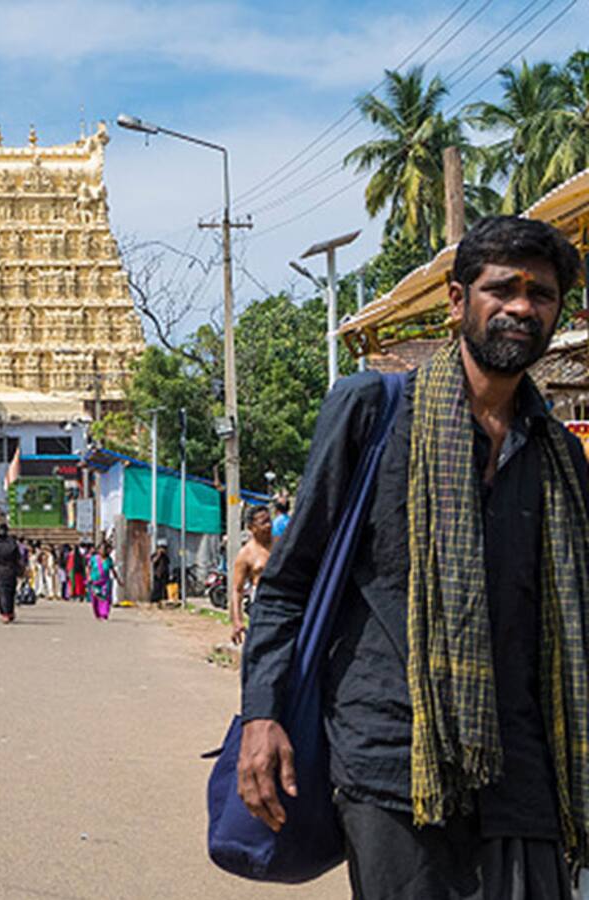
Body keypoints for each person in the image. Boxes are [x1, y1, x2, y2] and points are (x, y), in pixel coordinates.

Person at [239, 217, 589, 898]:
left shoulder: (560, 457)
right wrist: (262, 715)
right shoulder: (372, 412)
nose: (521, 307)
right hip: (394, 762)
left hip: (526, 770)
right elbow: (289, 584)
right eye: (502, 289)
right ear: (458, 301)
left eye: (541, 294)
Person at [229, 506, 272, 646]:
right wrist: (237, 621)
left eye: (269, 520)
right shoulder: (246, 554)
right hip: (262, 607)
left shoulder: (281, 544)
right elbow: (237, 590)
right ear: (251, 528)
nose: (269, 525)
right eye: (263, 522)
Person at [0, 524, 22, 624]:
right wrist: (21, 570)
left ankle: (5, 613)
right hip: (11, 571)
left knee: (3, 593)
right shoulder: (13, 545)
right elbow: (18, 559)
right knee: (11, 593)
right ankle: (10, 612)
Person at [87, 541, 117, 621]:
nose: (103, 551)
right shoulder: (93, 558)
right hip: (95, 581)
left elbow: (113, 570)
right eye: (101, 549)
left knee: (105, 598)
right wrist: (89, 576)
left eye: (104, 549)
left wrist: (118, 579)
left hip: (105, 582)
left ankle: (104, 614)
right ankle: (98, 614)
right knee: (95, 599)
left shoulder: (109, 560)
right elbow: (89, 567)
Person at [149, 540, 170, 606]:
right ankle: (154, 600)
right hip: (157, 574)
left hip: (164, 574)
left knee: (164, 588)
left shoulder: (165, 556)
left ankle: (163, 600)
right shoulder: (155, 555)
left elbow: (168, 563)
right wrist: (158, 554)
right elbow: (153, 561)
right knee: (156, 588)